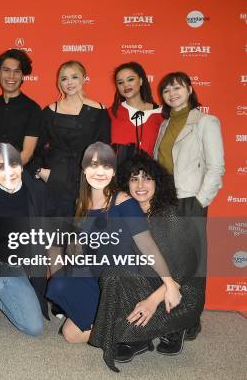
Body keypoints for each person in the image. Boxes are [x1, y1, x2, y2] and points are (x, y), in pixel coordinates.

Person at [46, 142, 181, 345]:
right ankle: (125, 331)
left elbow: (147, 246)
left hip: (120, 282)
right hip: (94, 278)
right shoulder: (80, 204)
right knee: (69, 330)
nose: (100, 172)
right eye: (93, 165)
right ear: (84, 170)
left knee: (71, 324)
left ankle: (127, 330)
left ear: (113, 171)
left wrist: (169, 283)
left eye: (106, 166)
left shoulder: (123, 201)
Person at [89, 154, 205, 372]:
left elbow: (183, 271)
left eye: (147, 178)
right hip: (149, 282)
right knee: (113, 273)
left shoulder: (170, 215)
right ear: (126, 184)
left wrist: (151, 301)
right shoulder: (130, 215)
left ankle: (178, 327)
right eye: (134, 179)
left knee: (149, 308)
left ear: (157, 183)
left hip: (178, 291)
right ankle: (138, 339)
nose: (140, 185)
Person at [153, 71, 224, 340]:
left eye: (177, 88)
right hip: (164, 201)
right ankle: (172, 312)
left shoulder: (206, 122)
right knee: (170, 262)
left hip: (190, 200)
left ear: (190, 89)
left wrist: (199, 201)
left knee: (192, 264)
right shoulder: (164, 124)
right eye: (167, 90)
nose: (172, 94)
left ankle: (191, 320)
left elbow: (216, 167)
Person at [0, 143, 57, 336]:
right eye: (2, 166)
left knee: (34, 327)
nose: (9, 172)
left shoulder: (38, 191)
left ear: (21, 165)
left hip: (13, 267)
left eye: (13, 164)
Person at [32, 60, 110, 216]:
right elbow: (36, 147)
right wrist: (41, 171)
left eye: (74, 77)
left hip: (87, 181)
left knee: (85, 234)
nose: (69, 82)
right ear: (59, 82)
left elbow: (104, 149)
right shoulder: (49, 111)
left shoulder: (99, 110)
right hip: (54, 179)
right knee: (56, 234)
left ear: (84, 78)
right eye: (64, 78)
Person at [0, 49, 40, 171]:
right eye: (6, 70)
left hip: (20, 176)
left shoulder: (33, 109)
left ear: (22, 75)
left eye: (17, 71)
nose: (11, 76)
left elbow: (27, 153)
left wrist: (5, 174)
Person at [109, 62, 163, 161]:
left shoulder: (162, 114)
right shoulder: (110, 114)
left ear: (141, 81)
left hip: (151, 174)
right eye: (120, 82)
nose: (125, 85)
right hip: (119, 174)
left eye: (130, 79)